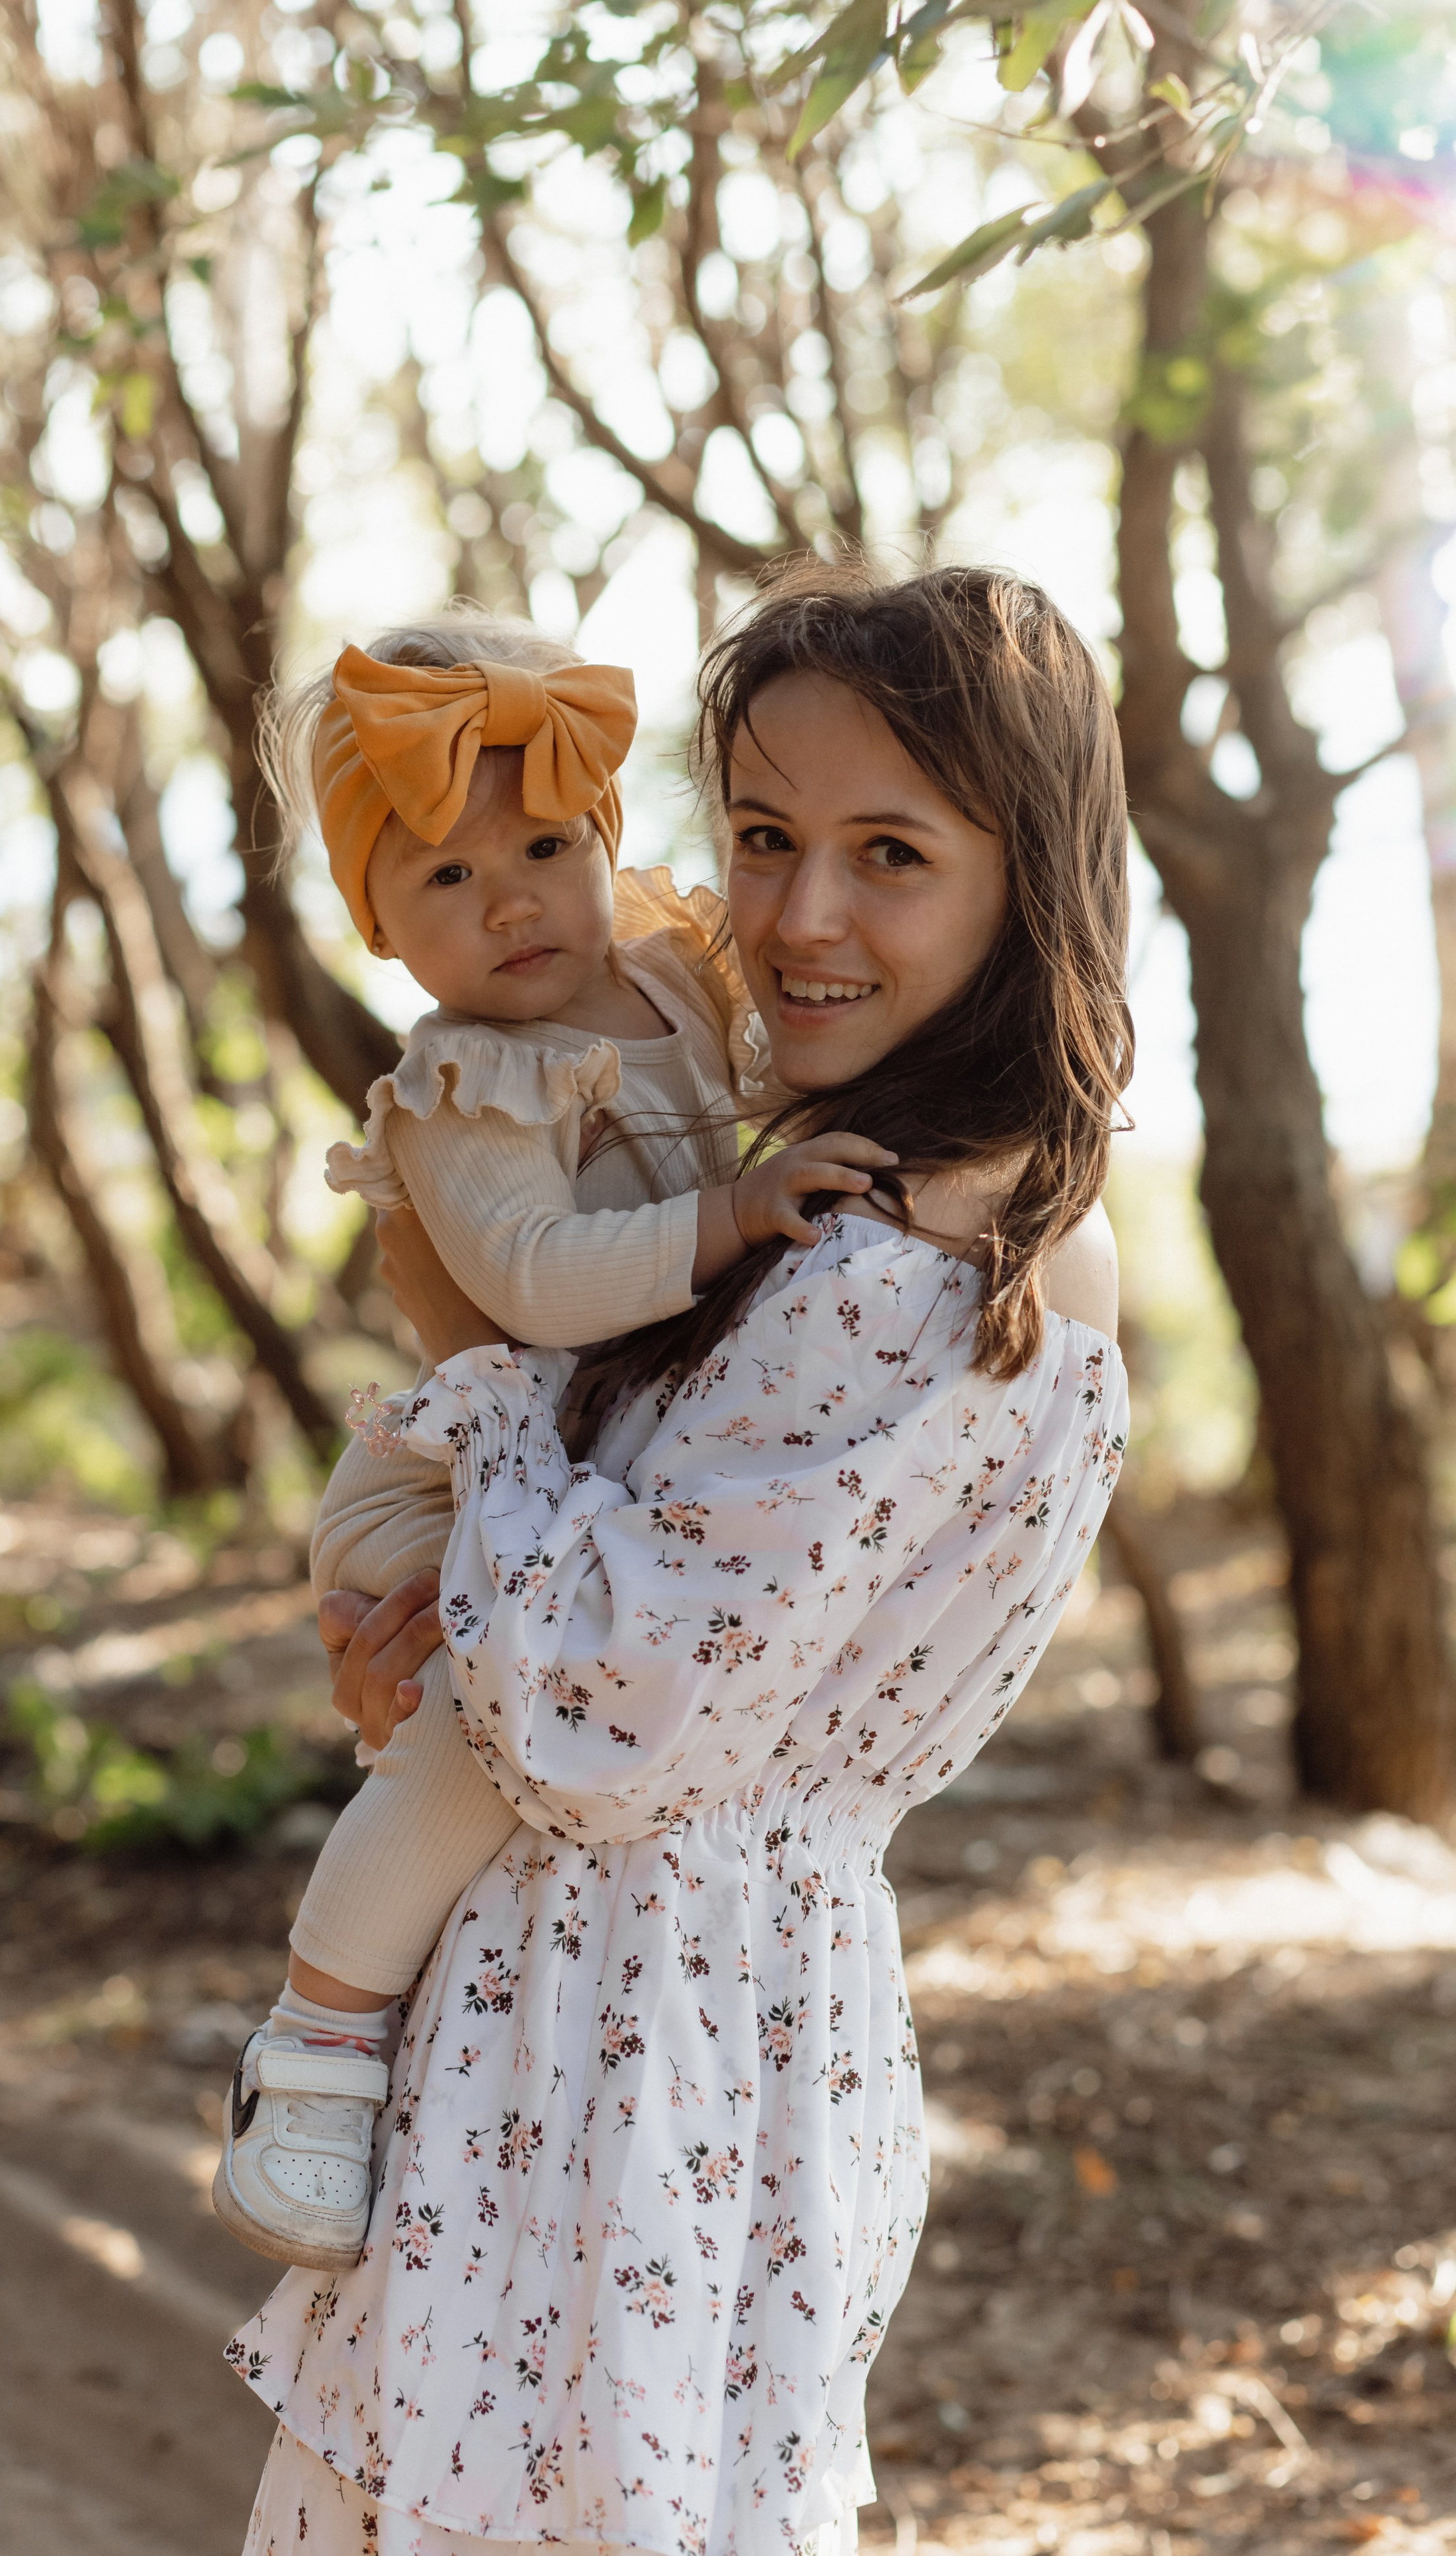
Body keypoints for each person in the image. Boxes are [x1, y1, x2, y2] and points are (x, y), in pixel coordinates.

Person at [228, 560, 1131, 2556]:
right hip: (692, 2026)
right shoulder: (889, 1194)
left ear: (1028, 880)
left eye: (890, 852)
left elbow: (592, 1710)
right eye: (762, 838)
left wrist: (475, 1422)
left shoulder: (905, 1268)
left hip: (620, 2054)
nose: (800, 918)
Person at [216, 611, 900, 2272]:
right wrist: (733, 1211)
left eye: (539, 844)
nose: (509, 898)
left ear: (605, 836)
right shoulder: (469, 1084)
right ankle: (314, 2039)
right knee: (477, 1712)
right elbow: (531, 1277)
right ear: (376, 929)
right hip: (451, 1482)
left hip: (587, 1478)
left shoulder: (680, 967)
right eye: (443, 878)